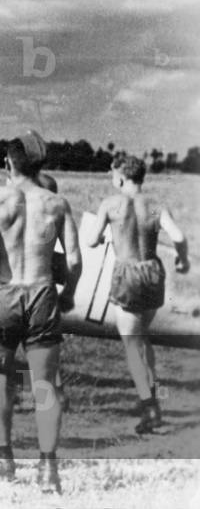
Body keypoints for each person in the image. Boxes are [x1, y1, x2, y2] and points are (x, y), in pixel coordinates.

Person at [0, 130, 81, 493]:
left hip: (4, 291)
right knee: (45, 385)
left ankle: (4, 460)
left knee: (0, 376)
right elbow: (76, 260)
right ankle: (48, 471)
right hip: (42, 292)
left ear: (8, 162)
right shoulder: (57, 203)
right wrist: (69, 295)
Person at [83, 155, 189, 433]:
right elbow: (178, 237)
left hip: (127, 274)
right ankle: (151, 397)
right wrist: (182, 261)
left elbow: (92, 241)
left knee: (132, 346)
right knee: (143, 340)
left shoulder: (111, 204)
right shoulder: (155, 205)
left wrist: (107, 236)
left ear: (120, 177)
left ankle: (150, 409)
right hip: (153, 272)